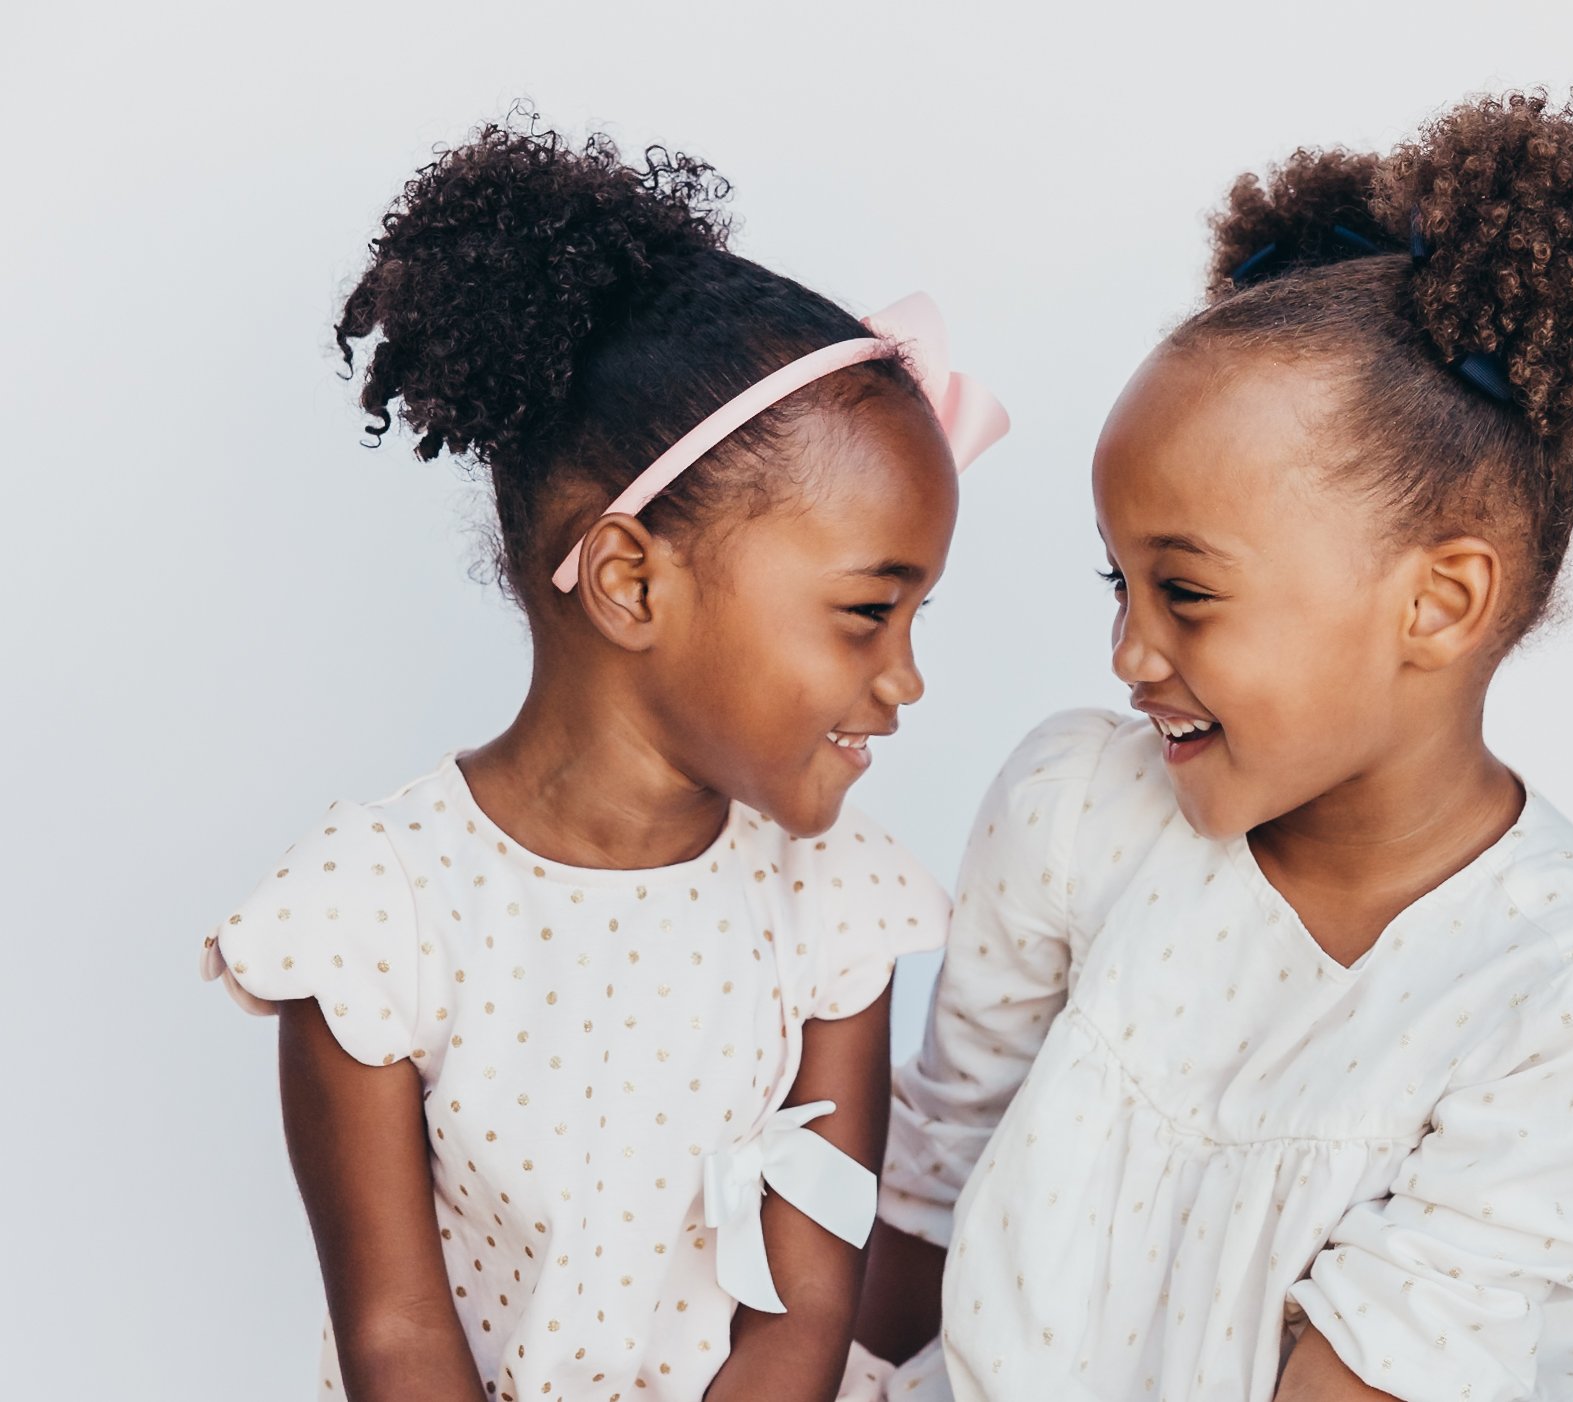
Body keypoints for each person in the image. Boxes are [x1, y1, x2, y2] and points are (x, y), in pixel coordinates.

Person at [860, 90, 1573, 1402]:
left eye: (1184, 592)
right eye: (1116, 587)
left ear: (1438, 602)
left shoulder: (1567, 1001)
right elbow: (931, 1191)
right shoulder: (1077, 805)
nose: (1131, 653)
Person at [200, 116, 1004, 1402]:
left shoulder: (832, 900)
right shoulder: (372, 916)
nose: (906, 678)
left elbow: (801, 1321)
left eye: (919, 619)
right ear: (630, 579)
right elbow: (400, 1343)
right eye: (868, 612)